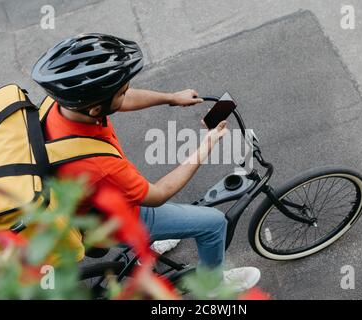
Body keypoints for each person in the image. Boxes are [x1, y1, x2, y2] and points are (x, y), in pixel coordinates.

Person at [32, 33, 260, 292]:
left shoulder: (62, 103)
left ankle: (156, 241)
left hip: (85, 202)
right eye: (122, 91)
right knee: (214, 222)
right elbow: (158, 194)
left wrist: (171, 97)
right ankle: (214, 285)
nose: (126, 94)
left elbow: (120, 101)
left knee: (177, 214)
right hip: (114, 219)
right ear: (96, 109)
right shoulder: (100, 166)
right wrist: (207, 145)